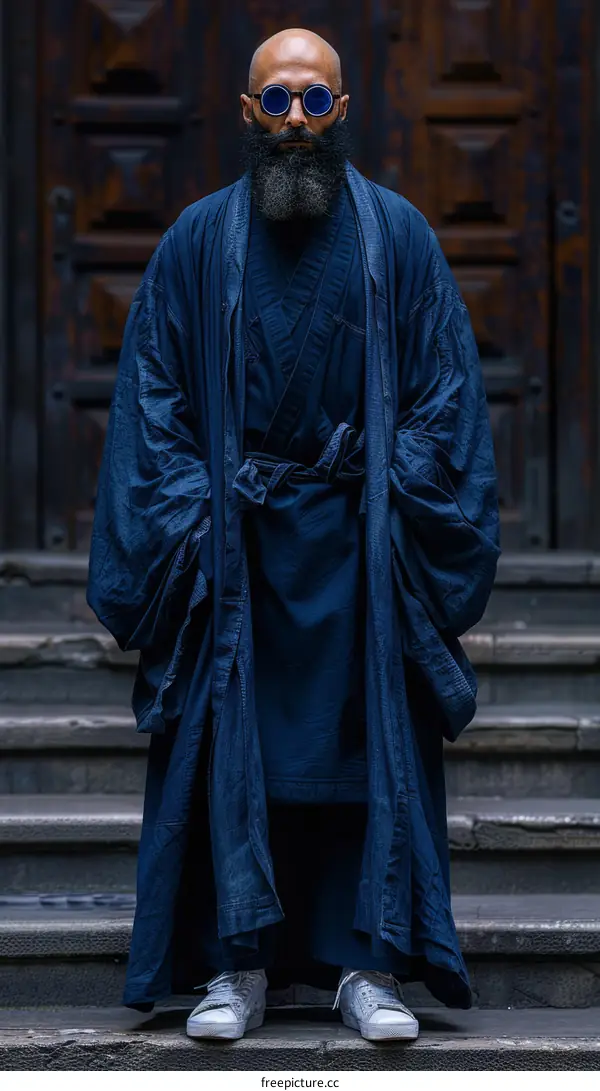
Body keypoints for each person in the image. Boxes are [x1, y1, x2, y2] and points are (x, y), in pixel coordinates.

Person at [87, 27, 500, 1043]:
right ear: (246, 112)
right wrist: (193, 511)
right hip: (236, 556)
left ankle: (369, 969)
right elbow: (154, 402)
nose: (298, 125)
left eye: (317, 103)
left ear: (345, 108)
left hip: (363, 550)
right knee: (240, 753)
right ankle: (241, 968)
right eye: (278, 102)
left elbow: (446, 399)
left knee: (366, 755)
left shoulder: (397, 236)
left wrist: (392, 488)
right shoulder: (194, 240)